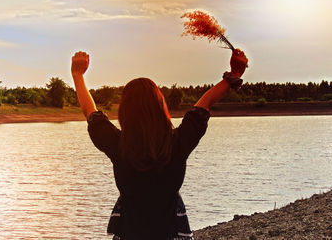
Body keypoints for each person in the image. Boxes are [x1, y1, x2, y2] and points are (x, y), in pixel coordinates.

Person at [71, 49, 248, 240]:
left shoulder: (118, 145)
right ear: (160, 105)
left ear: (125, 111)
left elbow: (90, 112)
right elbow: (204, 105)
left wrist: (78, 75)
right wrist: (234, 75)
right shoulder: (178, 142)